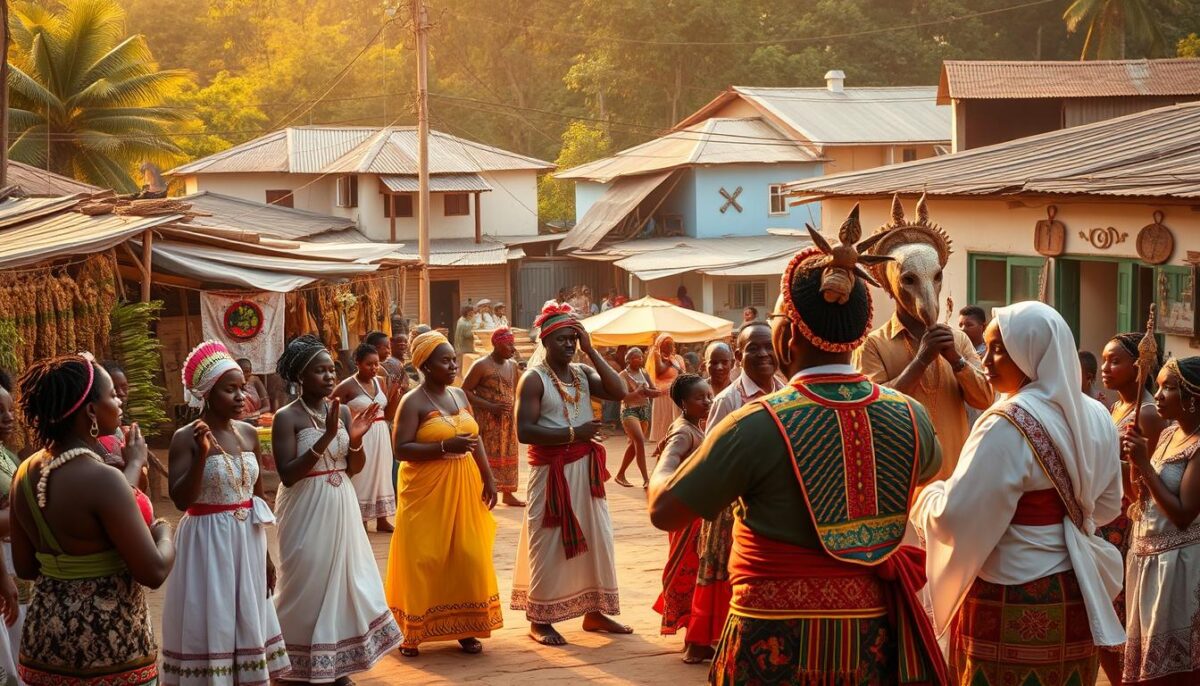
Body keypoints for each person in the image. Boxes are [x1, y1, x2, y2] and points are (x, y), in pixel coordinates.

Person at [648, 233, 945, 684]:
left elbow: (664, 510)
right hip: (870, 638)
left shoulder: (754, 426)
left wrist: (673, 448)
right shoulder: (911, 416)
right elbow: (930, 467)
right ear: (861, 331)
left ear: (786, 337)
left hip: (772, 639)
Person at [912, 302, 1124, 685]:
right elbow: (1107, 506)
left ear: (1032, 353)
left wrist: (928, 495)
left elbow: (956, 516)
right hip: (1077, 592)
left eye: (1000, 350)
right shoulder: (1096, 416)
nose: (987, 361)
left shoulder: (1005, 423)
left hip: (1008, 590)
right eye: (989, 348)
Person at [11, 354, 175, 686]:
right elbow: (154, 571)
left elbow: (26, 568)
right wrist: (164, 531)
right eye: (112, 394)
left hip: (45, 645)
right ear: (90, 412)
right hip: (110, 647)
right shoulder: (103, 479)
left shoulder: (25, 473)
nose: (119, 402)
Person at [270, 335, 401, 682]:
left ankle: (335, 664)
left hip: (340, 499)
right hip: (304, 504)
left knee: (344, 581)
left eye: (331, 369)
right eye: (319, 371)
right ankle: (287, 661)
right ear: (300, 377)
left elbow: (353, 467)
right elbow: (287, 475)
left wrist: (354, 439)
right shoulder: (287, 418)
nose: (329, 377)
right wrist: (328, 436)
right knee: (306, 580)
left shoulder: (342, 410)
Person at [163, 341, 289, 684]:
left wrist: (265, 555)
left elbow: (257, 498)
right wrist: (202, 455)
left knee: (246, 613)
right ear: (207, 394)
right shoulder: (185, 437)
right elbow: (180, 499)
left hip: (247, 539)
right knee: (213, 614)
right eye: (229, 390)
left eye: (242, 389)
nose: (239, 397)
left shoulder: (248, 434)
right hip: (206, 540)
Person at [511, 302, 632, 646]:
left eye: (573, 339)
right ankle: (540, 618)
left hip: (585, 469)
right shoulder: (533, 379)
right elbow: (524, 431)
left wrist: (592, 350)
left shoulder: (582, 372)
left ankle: (594, 611)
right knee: (548, 543)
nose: (569, 345)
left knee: (598, 539)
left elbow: (619, 392)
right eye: (563, 339)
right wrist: (573, 433)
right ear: (546, 342)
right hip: (551, 473)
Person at [387, 331, 502, 657]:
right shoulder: (413, 401)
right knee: (425, 557)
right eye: (445, 360)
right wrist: (442, 447)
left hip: (464, 483)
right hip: (425, 488)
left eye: (454, 359)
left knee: (467, 553)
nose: (453, 365)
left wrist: (488, 476)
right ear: (426, 365)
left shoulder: (459, 395)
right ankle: (412, 630)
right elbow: (401, 449)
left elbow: (475, 437)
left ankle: (465, 626)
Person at [687, 321, 786, 655]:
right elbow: (710, 458)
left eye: (767, 346)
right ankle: (713, 641)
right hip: (732, 506)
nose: (762, 354)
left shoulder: (784, 389)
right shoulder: (729, 400)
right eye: (752, 349)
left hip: (774, 504)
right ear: (740, 357)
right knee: (725, 572)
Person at [1120, 356, 1200, 685]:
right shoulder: (1167, 435)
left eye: (1169, 387)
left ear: (1193, 397)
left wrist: (1145, 465)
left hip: (1180, 567)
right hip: (1147, 562)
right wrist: (1133, 461)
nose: (1159, 395)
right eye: (1158, 386)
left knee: (1175, 672)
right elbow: (1136, 497)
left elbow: (1183, 514)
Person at [855, 299, 993, 480]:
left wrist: (955, 359)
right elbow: (873, 412)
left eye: (936, 279)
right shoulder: (872, 344)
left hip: (955, 480)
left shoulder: (958, 339)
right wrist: (921, 360)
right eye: (911, 280)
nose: (925, 292)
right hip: (903, 482)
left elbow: (984, 399)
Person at [1098, 332, 1166, 685]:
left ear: (1139, 367)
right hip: (1108, 518)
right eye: (1104, 360)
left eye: (1115, 361)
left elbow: (1146, 483)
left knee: (1119, 616)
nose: (1105, 368)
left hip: (1128, 521)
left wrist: (1112, 464)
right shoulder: (1117, 407)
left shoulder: (1149, 413)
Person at [651, 374, 712, 663]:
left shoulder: (693, 427)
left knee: (698, 572)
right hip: (688, 519)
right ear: (684, 403)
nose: (708, 401)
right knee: (689, 572)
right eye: (700, 398)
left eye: (709, 395)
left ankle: (698, 634)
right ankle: (692, 641)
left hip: (697, 515)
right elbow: (671, 459)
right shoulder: (684, 431)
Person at [333, 342, 397, 532]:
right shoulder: (347, 386)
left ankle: (382, 519)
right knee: (362, 474)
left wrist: (395, 396)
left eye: (376, 364)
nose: (374, 368)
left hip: (381, 433)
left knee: (382, 472)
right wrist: (349, 420)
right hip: (362, 435)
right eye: (369, 364)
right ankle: (360, 519)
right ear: (357, 363)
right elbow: (331, 406)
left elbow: (388, 413)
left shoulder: (381, 382)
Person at [463, 328, 525, 507]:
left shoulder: (512, 365)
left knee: (509, 454)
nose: (513, 348)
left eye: (513, 344)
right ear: (497, 344)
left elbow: (513, 390)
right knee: (487, 455)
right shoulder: (481, 365)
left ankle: (508, 493)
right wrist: (490, 406)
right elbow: (465, 390)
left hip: (507, 419)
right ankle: (482, 491)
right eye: (509, 344)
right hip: (487, 419)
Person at [0, 370, 30, 671]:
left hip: (13, 562)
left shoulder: (7, 455)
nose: (8, 418)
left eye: (10, 410)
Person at [614, 348, 658, 488]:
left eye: (640, 357)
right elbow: (623, 396)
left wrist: (651, 392)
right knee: (639, 440)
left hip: (644, 411)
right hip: (629, 410)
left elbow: (654, 391)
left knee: (634, 445)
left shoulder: (644, 372)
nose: (639, 359)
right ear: (628, 359)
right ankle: (646, 479)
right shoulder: (623, 375)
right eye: (636, 357)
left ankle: (620, 475)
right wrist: (639, 392)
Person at [647, 333, 686, 443]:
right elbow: (659, 370)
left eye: (671, 344)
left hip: (674, 394)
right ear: (660, 346)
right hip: (662, 396)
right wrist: (669, 362)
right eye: (666, 344)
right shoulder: (656, 356)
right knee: (663, 427)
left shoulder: (677, 358)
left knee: (674, 425)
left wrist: (675, 364)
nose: (669, 347)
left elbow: (683, 373)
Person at [235, 357, 272, 425]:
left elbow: (267, 407)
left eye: (247, 371)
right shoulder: (233, 384)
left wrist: (252, 415)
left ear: (251, 371)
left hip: (257, 419)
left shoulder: (255, 380)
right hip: (239, 422)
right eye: (242, 372)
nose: (244, 375)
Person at [455, 305, 477, 372]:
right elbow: (468, 335)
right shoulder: (464, 323)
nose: (473, 313)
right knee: (462, 367)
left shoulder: (462, 319)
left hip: (461, 347)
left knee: (461, 366)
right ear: (468, 312)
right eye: (471, 312)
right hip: (464, 348)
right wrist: (475, 332)